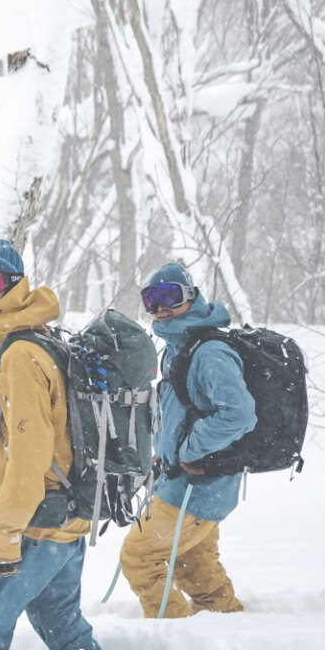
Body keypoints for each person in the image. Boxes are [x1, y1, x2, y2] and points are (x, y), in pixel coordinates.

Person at [0, 240, 103, 650]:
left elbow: (29, 454)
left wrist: (5, 534)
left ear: (16, 285)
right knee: (67, 634)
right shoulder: (38, 340)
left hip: (30, 524)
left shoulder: (22, 354)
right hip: (63, 519)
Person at [120, 262, 255, 617]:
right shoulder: (181, 347)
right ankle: (228, 629)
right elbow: (184, 411)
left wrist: (186, 451)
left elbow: (239, 413)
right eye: (152, 299)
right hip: (194, 484)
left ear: (191, 297)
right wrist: (163, 455)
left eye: (170, 296)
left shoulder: (210, 352)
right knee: (194, 568)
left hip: (195, 486)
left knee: (139, 557)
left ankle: (175, 641)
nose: (160, 307)